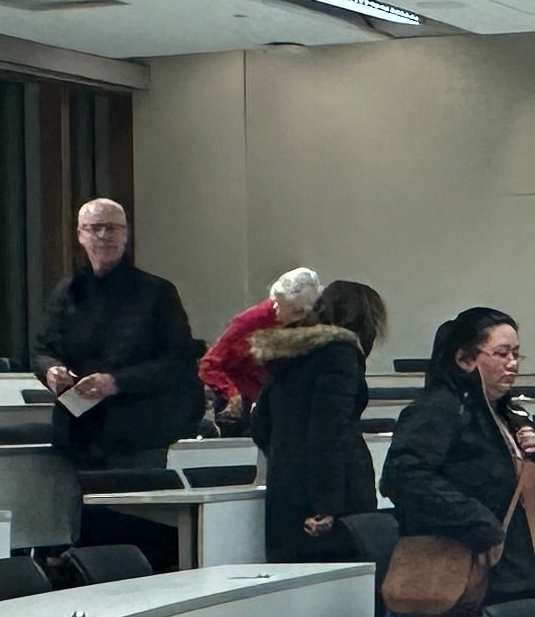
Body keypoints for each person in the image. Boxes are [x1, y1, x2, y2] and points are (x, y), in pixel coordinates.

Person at [379, 307, 535, 617]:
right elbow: (404, 477)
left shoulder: (504, 413)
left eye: (516, 353)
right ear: (465, 359)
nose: (512, 363)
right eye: (501, 353)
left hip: (509, 577)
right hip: (458, 575)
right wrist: (479, 523)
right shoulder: (440, 408)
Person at [34, 198, 198, 479]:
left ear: (126, 234)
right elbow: (42, 350)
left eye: (112, 228)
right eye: (94, 228)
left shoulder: (157, 292)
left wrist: (116, 383)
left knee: (134, 520)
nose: (103, 237)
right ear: (80, 235)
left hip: (139, 432)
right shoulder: (67, 291)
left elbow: (179, 362)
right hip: (78, 433)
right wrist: (50, 370)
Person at [250, 279, 380, 565]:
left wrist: (287, 457)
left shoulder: (289, 356)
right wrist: (328, 503)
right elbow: (329, 431)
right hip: (334, 492)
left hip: (286, 489)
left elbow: (260, 421)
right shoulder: (340, 354)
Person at [200, 265, 324, 427]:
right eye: (296, 311)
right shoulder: (250, 321)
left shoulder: (309, 319)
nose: (302, 318)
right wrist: (231, 393)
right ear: (278, 300)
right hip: (246, 405)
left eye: (305, 312)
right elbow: (209, 364)